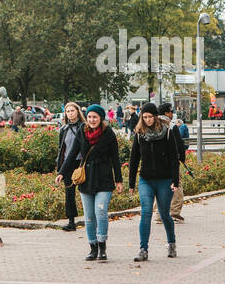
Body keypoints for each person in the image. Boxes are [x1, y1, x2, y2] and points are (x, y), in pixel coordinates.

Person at [58, 105, 122, 262]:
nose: (92, 120)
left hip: (104, 178)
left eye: (95, 117)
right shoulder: (82, 131)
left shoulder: (108, 133)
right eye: (90, 117)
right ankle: (92, 247)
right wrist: (61, 172)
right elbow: (73, 152)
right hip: (86, 178)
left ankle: (102, 246)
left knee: (100, 212)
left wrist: (118, 180)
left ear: (101, 118)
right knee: (88, 216)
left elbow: (115, 158)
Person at [128, 102, 180, 262]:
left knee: (164, 214)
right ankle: (143, 249)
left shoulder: (167, 133)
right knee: (145, 213)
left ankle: (171, 244)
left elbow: (174, 158)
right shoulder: (139, 134)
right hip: (146, 180)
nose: (147, 120)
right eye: (144, 117)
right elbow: (134, 159)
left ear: (155, 117)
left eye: (150, 116)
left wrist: (175, 181)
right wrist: (131, 183)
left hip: (164, 180)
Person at [55, 101, 84, 232]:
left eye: (72, 110)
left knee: (86, 191)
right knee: (69, 192)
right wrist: (60, 168)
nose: (70, 113)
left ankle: (91, 218)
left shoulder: (84, 127)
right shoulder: (64, 129)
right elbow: (62, 148)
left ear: (77, 111)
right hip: (67, 163)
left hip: (81, 163)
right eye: (68, 111)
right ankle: (71, 221)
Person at [159, 102, 188, 222]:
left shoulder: (153, 126)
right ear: (166, 113)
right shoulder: (172, 126)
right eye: (171, 112)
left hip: (157, 163)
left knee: (159, 187)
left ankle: (158, 215)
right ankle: (175, 212)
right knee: (177, 185)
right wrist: (182, 158)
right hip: (171, 162)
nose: (172, 114)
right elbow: (180, 145)